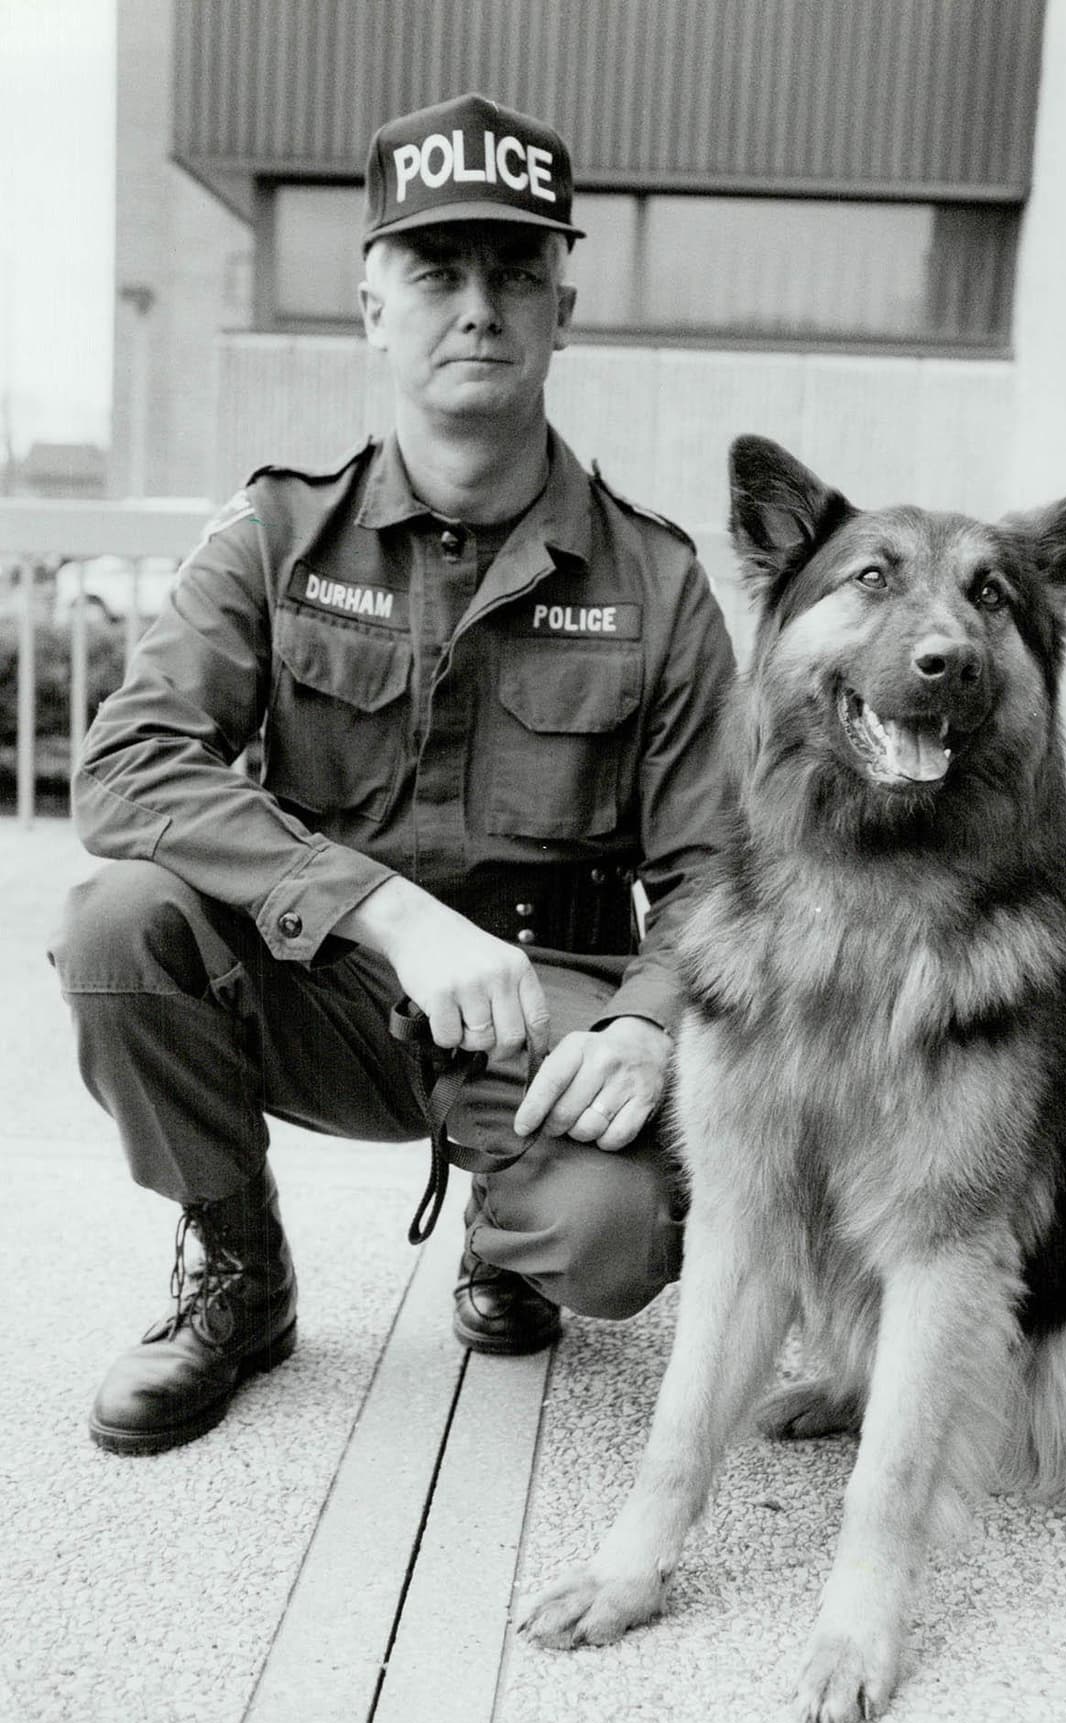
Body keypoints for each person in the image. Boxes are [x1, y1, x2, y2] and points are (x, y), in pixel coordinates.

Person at [51, 92, 736, 1456]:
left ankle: (513, 1230)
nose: (476, 305)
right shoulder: (279, 536)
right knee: (118, 931)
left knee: (618, 1243)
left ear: (562, 309)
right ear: (373, 306)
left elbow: (719, 873)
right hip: (327, 986)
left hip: (542, 1022)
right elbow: (128, 762)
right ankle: (240, 1273)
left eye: (514, 271)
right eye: (435, 270)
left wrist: (650, 1027)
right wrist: (389, 914)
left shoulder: (655, 582)